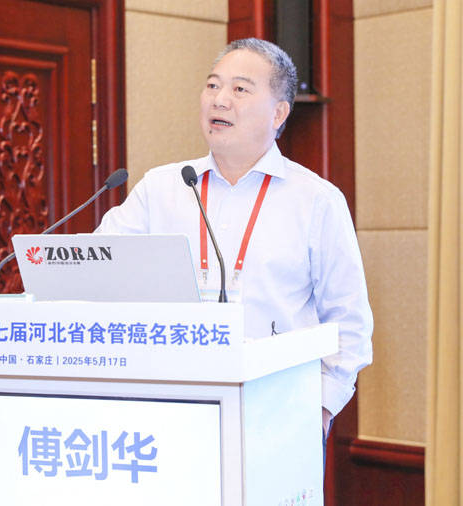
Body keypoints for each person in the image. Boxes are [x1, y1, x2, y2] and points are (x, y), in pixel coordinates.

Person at [96, 38, 373, 448]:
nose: (220, 99)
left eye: (240, 89)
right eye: (212, 85)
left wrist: (319, 411)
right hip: (167, 413)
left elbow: (349, 321)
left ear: (278, 113)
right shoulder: (161, 188)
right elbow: (99, 271)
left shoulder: (316, 200)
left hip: (276, 415)